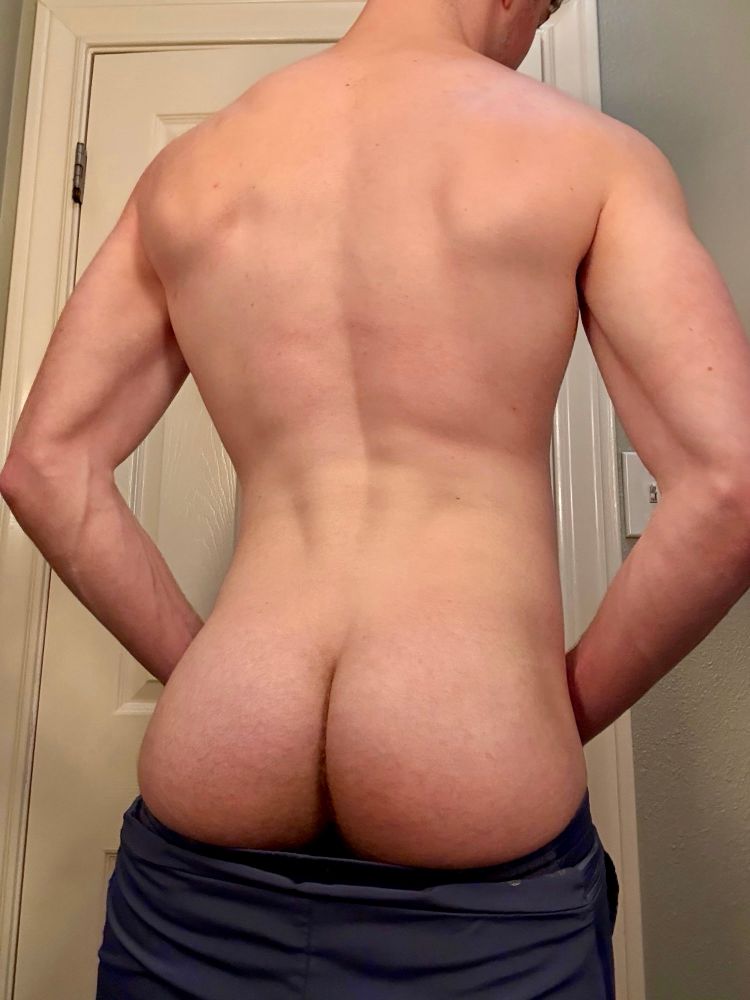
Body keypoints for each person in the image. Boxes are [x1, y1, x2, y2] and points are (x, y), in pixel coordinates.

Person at [2, 0, 749, 996]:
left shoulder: (190, 172)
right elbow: (729, 488)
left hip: (206, 827)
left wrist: (215, 682)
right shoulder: (590, 157)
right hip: (478, 825)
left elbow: (43, 467)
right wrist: (542, 713)